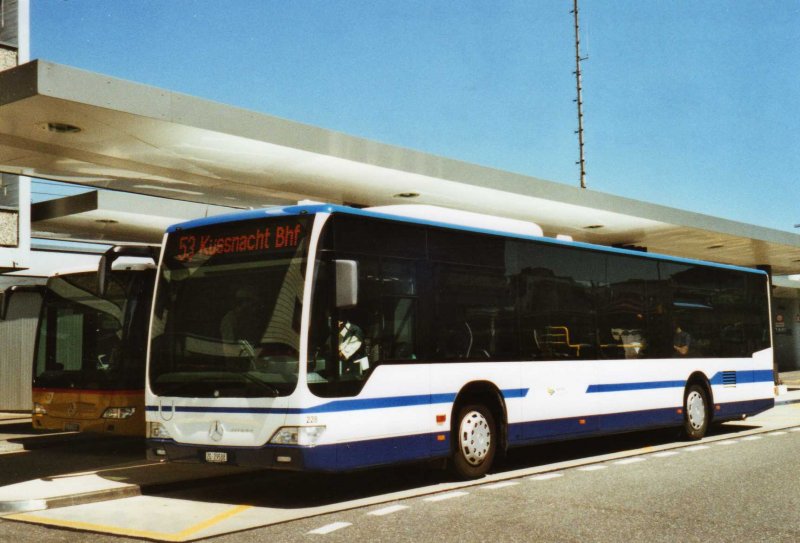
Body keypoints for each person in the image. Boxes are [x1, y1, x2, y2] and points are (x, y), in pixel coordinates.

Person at [220, 286, 264, 358]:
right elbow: (229, 347)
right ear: (244, 302)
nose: (256, 308)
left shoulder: (251, 319)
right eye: (253, 304)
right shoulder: (230, 319)